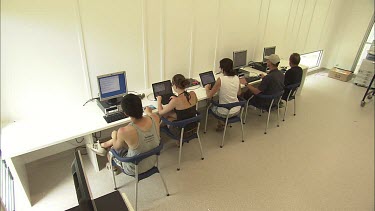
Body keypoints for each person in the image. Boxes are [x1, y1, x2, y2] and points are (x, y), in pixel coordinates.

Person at [86, 94, 160, 175]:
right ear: (140, 106)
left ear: (125, 113)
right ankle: (104, 144)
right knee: (127, 139)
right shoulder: (155, 118)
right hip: (152, 162)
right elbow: (151, 115)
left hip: (134, 169)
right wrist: (149, 112)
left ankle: (112, 167)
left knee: (111, 150)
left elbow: (116, 147)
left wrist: (114, 135)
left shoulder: (124, 131)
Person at [205, 58, 242, 131]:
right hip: (236, 110)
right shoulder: (236, 77)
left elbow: (209, 96)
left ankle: (221, 123)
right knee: (221, 101)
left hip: (225, 113)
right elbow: (239, 93)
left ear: (222, 69)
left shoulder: (221, 79)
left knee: (209, 105)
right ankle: (223, 123)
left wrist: (207, 88)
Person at [157, 74, 198, 139]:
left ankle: (158, 131)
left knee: (165, 115)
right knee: (169, 113)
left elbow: (160, 112)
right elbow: (193, 102)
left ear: (175, 86)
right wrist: (177, 99)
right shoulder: (193, 93)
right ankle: (158, 128)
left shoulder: (175, 101)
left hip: (182, 132)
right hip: (194, 127)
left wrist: (159, 100)